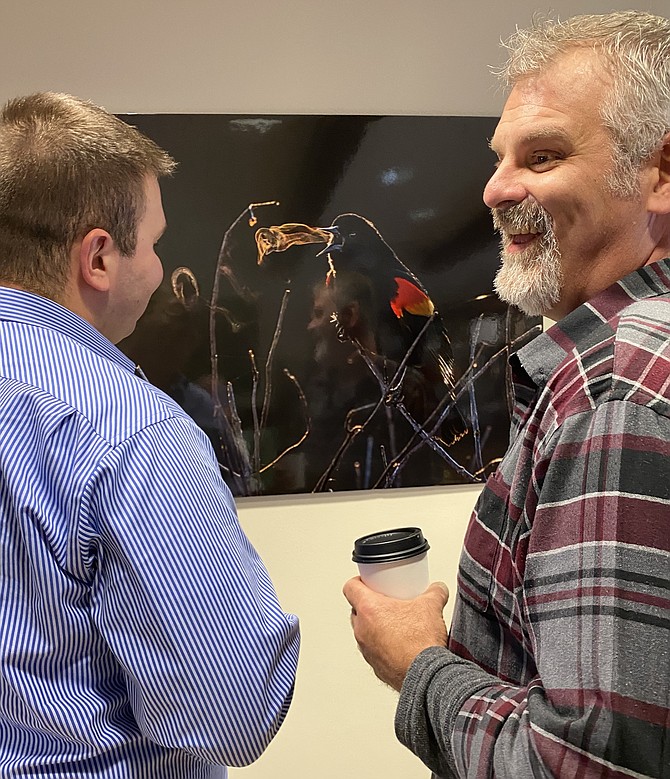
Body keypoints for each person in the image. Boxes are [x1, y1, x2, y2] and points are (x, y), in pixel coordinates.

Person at [343, 11, 670, 778]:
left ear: (660, 173)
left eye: (544, 154)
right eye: (499, 158)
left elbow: (581, 763)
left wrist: (418, 662)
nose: (494, 189)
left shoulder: (611, 387)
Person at [0, 92, 299, 778]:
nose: (162, 271)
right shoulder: (131, 431)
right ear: (98, 258)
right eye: (157, 244)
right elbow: (233, 712)